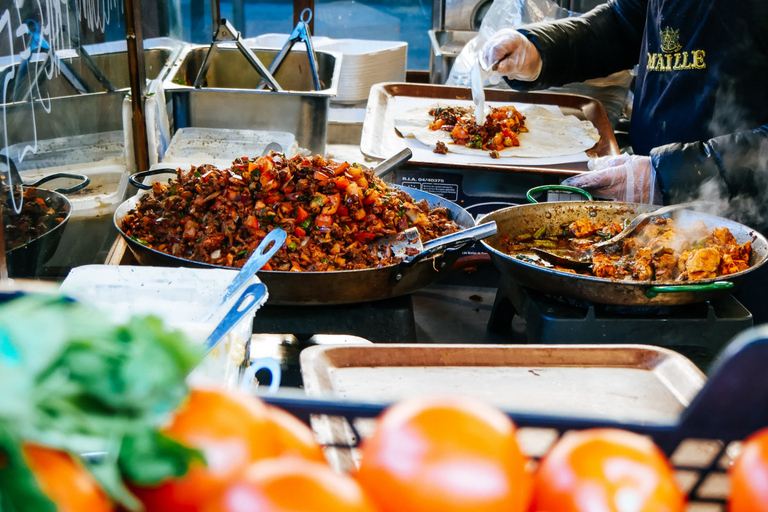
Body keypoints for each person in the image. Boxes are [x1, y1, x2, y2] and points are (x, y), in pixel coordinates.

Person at [480, 0, 768, 217]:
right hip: (653, 205)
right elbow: (623, 23)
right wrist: (540, 50)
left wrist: (671, 175)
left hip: (744, 220)